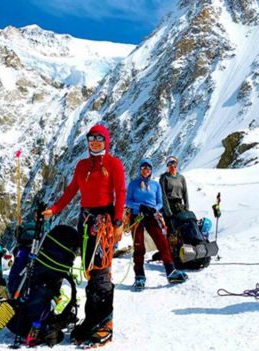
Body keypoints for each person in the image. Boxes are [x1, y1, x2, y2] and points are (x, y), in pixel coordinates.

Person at [42, 123, 125, 348]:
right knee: (90, 270)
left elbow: (121, 192)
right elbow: (71, 191)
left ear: (106, 141)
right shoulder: (82, 166)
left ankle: (105, 325)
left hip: (104, 222)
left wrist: (118, 221)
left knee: (101, 272)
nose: (95, 142)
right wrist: (55, 209)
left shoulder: (113, 164)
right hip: (86, 221)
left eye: (99, 138)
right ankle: (92, 320)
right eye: (91, 138)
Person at [126, 159, 188, 290]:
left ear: (151, 170)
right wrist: (140, 206)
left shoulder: (155, 185)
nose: (146, 170)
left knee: (162, 243)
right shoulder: (133, 184)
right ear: (140, 169)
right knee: (139, 247)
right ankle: (139, 276)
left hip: (152, 217)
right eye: (143, 168)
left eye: (148, 168)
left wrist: (155, 209)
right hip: (137, 217)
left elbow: (160, 202)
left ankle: (171, 272)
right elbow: (128, 201)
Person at [159, 155, 189, 234]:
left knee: (185, 227)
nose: (172, 166)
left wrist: (187, 207)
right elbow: (163, 195)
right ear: (167, 166)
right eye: (170, 164)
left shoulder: (181, 178)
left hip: (180, 206)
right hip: (169, 206)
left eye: (173, 163)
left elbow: (185, 193)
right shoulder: (164, 178)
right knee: (171, 230)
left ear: (176, 164)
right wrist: (168, 211)